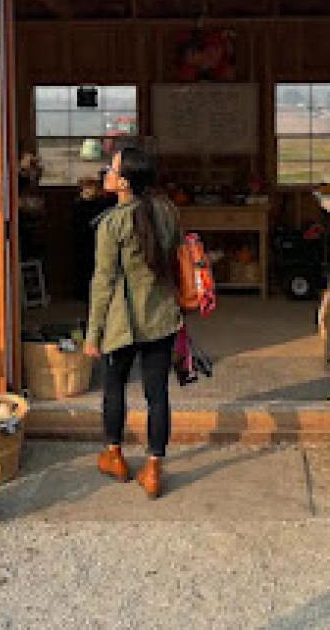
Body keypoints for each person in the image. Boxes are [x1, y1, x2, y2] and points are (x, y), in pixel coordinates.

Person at [84, 146, 181, 498]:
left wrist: (92, 333)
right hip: (162, 317)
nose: (105, 173)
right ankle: (154, 468)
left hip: (121, 324)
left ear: (125, 182)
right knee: (158, 395)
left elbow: (103, 281)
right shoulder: (168, 212)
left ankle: (115, 455)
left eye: (110, 169)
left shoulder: (112, 224)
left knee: (115, 388)